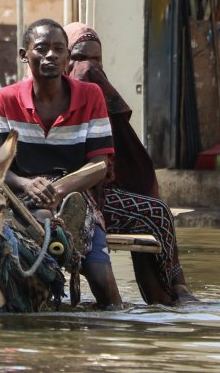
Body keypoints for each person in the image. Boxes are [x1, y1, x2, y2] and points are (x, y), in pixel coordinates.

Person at [0, 18, 122, 308]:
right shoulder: (4, 100)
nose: (51, 56)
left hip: (75, 195)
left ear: (67, 56)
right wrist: (25, 184)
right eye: (42, 49)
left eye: (59, 49)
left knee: (101, 279)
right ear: (24, 55)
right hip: (18, 196)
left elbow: (99, 165)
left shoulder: (90, 96)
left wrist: (59, 189)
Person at [65, 22, 196, 305]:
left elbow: (116, 160)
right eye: (77, 57)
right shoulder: (52, 95)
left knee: (155, 213)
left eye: (94, 59)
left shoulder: (95, 96)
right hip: (68, 195)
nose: (86, 66)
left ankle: (166, 298)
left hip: (96, 192)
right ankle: (175, 291)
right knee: (157, 212)